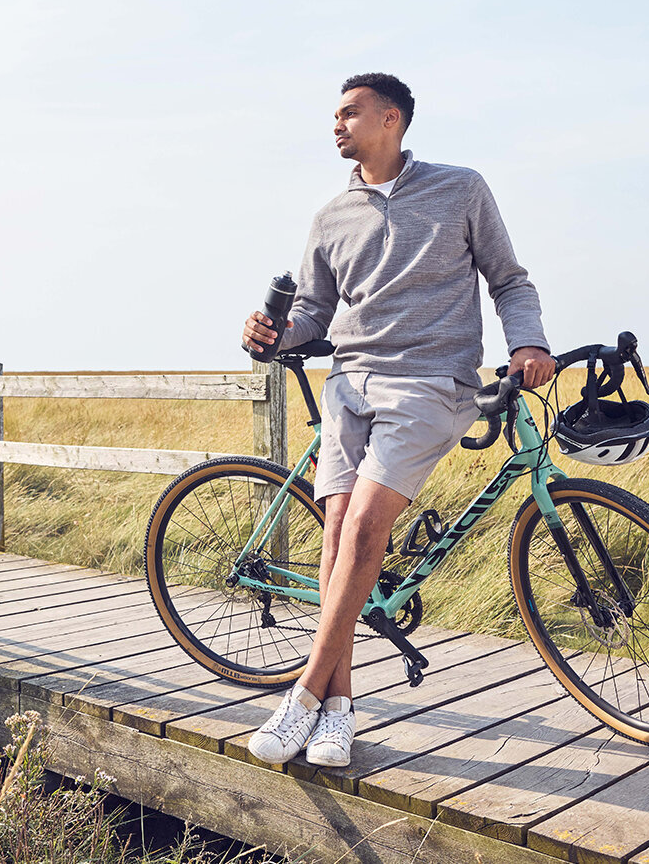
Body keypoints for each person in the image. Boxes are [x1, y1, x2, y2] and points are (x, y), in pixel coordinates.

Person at [236, 73, 555, 769]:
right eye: (335, 115)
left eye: (349, 114)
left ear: (391, 119)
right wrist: (274, 335)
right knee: (337, 540)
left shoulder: (461, 189)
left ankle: (301, 695)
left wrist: (527, 341)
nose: (337, 125)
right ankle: (339, 711)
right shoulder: (330, 216)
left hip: (433, 384)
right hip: (349, 383)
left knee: (363, 525)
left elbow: (509, 279)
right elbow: (314, 315)